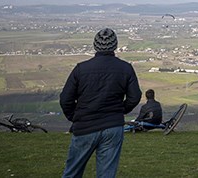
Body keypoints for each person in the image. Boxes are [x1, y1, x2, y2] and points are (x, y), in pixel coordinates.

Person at [60, 28, 142, 178]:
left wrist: (75, 117)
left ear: (95, 45)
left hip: (85, 125)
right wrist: (119, 111)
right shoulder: (125, 68)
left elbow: (65, 99)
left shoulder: (81, 69)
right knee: (106, 175)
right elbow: (134, 97)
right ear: (115, 45)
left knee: (72, 173)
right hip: (113, 127)